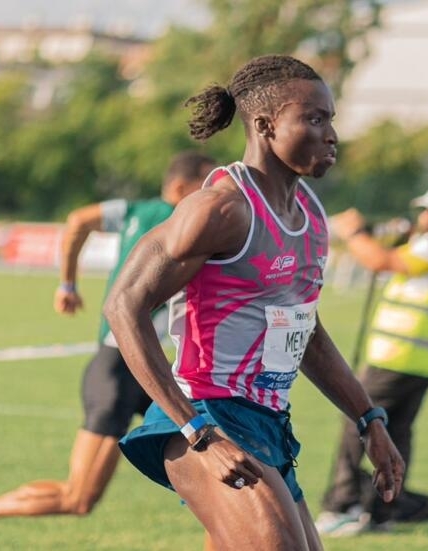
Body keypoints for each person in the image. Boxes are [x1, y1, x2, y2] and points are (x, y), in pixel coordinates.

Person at [101, 54, 404, 551]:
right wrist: (196, 430)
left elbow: (304, 329)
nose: (331, 134)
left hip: (267, 422)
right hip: (205, 414)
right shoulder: (220, 209)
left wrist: (368, 418)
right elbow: (123, 305)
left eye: (331, 119)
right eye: (314, 119)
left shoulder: (310, 214)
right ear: (265, 126)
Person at [0, 150, 217, 550]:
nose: (213, 194)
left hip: (154, 366)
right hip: (119, 368)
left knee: (219, 468)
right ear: (181, 189)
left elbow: (79, 219)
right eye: (205, 185)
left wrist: (68, 283)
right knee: (79, 497)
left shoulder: (133, 210)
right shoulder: (171, 219)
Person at [315, 176, 428, 536]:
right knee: (396, 431)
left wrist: (355, 233)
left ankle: (343, 506)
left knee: (359, 421)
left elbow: (380, 260)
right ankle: (381, 513)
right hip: (424, 358)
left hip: (400, 353)